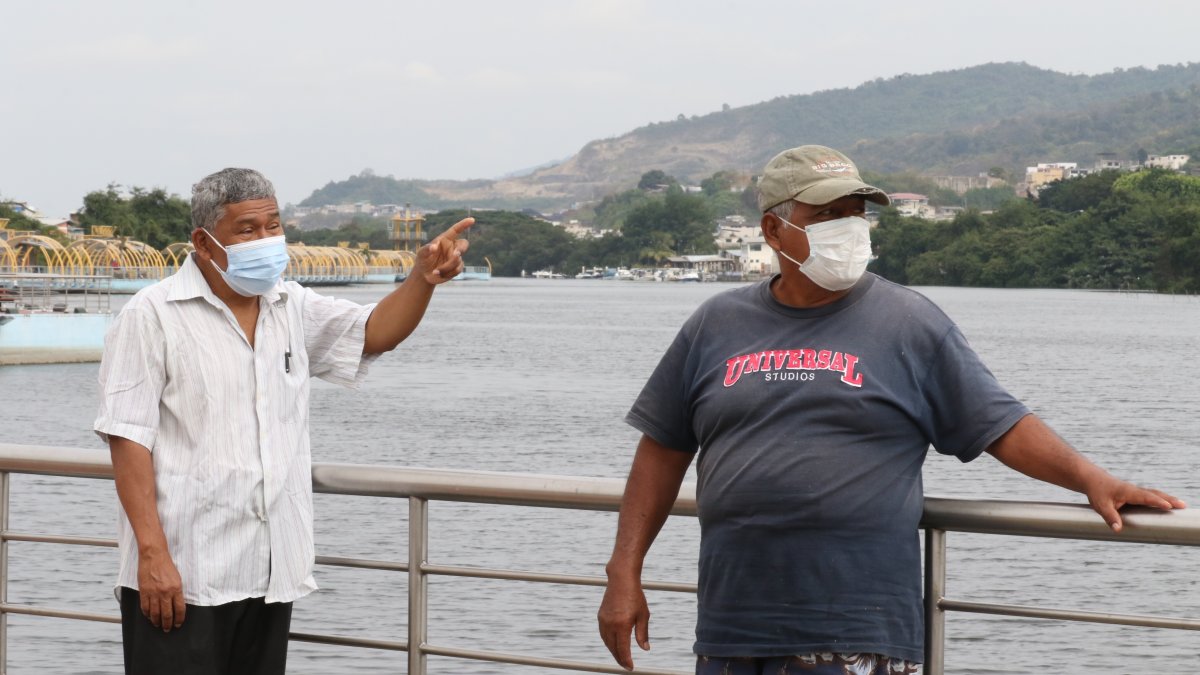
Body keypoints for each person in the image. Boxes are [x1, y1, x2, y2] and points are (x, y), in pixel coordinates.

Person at [596, 145, 1186, 674]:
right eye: (826, 214)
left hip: (858, 628)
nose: (847, 227)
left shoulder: (909, 322)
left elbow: (999, 424)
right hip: (732, 628)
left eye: (855, 212)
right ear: (773, 231)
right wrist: (623, 570)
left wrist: (1093, 479)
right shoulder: (715, 324)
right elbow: (664, 446)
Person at [93, 168, 472, 674]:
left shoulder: (289, 305)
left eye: (273, 225)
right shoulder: (152, 315)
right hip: (185, 574)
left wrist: (421, 280)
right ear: (204, 243)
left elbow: (375, 332)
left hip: (268, 573)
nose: (266, 240)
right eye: (248, 230)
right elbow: (128, 439)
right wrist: (153, 556)